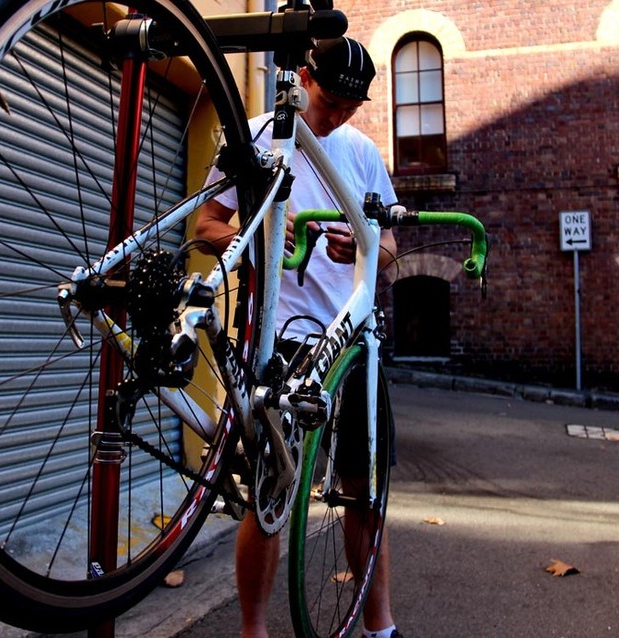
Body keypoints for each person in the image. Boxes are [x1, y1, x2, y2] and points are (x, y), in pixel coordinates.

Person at [196, 37, 401, 638]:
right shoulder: (259, 135)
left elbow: (391, 244)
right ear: (305, 77)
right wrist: (258, 241)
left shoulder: (361, 151)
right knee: (270, 497)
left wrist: (365, 245)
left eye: (351, 106)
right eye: (332, 99)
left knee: (364, 495)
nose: (339, 115)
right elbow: (207, 222)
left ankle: (381, 627)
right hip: (282, 340)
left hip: (354, 341)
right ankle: (253, 631)